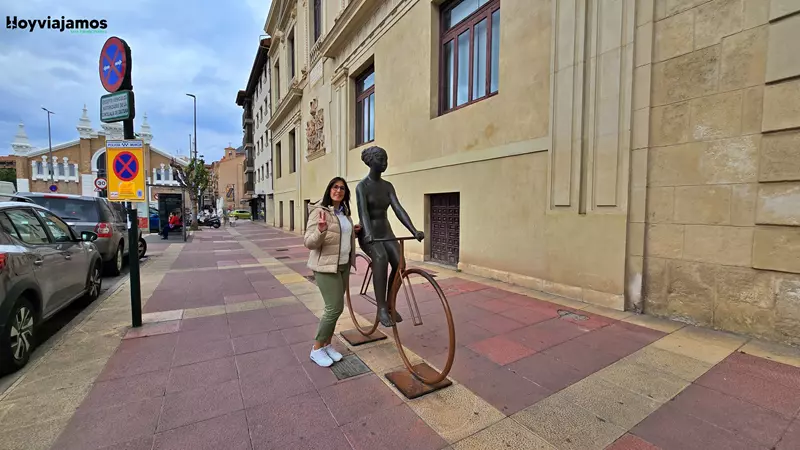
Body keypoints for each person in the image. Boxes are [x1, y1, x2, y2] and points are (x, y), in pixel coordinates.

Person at [356, 146, 424, 327]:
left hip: (386, 232)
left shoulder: (387, 186)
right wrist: (368, 234)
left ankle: (390, 304)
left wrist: (413, 230)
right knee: (381, 258)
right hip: (368, 234)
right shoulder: (362, 187)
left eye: (386, 158)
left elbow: (398, 209)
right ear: (371, 161)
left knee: (400, 264)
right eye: (381, 159)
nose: (385, 162)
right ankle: (381, 309)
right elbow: (363, 213)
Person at [303, 177, 362, 367]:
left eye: (342, 188)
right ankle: (316, 348)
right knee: (334, 307)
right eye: (335, 187)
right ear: (329, 190)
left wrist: (353, 230)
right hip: (326, 267)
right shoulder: (319, 211)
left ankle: (327, 345)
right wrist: (320, 230)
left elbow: (340, 234)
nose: (338, 190)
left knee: (337, 308)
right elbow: (309, 242)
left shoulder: (344, 214)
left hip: (343, 265)